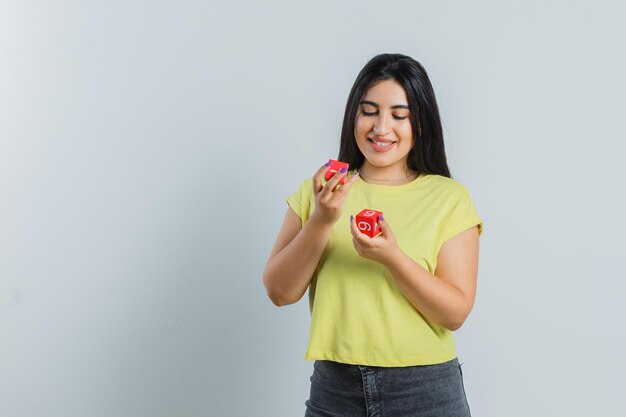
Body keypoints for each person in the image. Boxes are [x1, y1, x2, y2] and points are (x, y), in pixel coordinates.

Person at [262, 53, 483, 417]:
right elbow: (279, 292)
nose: (381, 128)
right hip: (335, 389)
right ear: (353, 116)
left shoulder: (449, 198)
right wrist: (321, 219)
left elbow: (455, 313)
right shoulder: (320, 190)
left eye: (399, 115)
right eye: (369, 111)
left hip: (425, 391)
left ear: (422, 123)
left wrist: (392, 257)